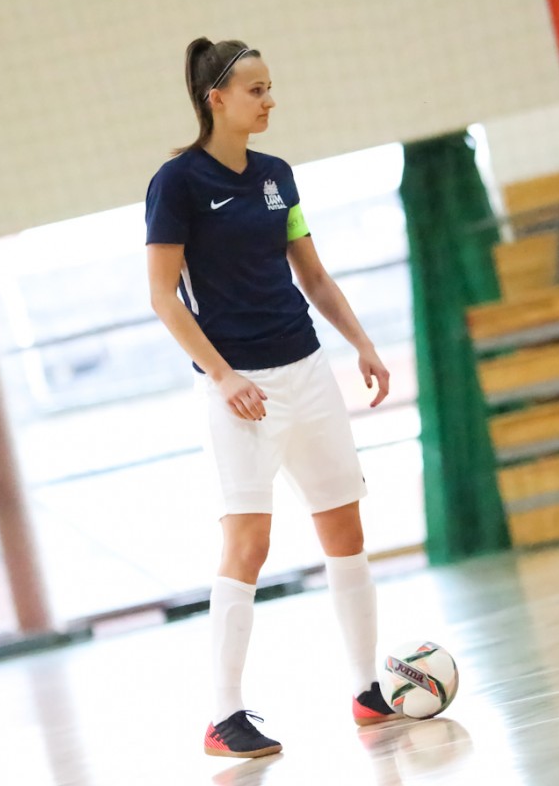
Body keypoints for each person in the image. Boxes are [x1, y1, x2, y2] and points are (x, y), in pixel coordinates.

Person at [145, 37, 401, 759]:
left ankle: (367, 691)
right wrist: (222, 376)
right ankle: (223, 717)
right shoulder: (177, 184)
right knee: (249, 544)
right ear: (216, 99)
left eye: (268, 87)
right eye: (255, 90)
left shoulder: (277, 177)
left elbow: (312, 276)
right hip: (241, 388)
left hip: (307, 370)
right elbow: (163, 297)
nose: (269, 100)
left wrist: (362, 343)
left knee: (344, 531)